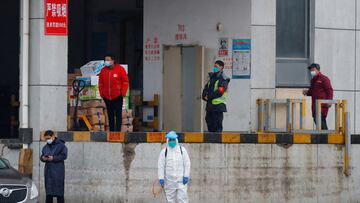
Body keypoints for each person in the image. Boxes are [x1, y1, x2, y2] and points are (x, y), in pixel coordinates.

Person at [98, 54, 129, 131]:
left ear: (113, 61)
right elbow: (100, 83)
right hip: (107, 97)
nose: (106, 62)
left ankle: (118, 131)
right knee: (110, 115)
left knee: (118, 114)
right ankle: (112, 131)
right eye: (106, 60)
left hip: (118, 96)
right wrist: (102, 94)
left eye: (108, 60)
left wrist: (123, 93)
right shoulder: (103, 70)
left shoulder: (120, 69)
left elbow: (125, 82)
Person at [158, 131, 191, 203]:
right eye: (170, 140)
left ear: (176, 140)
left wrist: (186, 176)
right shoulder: (164, 152)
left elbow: (187, 163)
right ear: (167, 141)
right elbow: (161, 165)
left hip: (181, 180)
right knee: (170, 200)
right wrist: (161, 178)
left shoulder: (182, 150)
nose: (171, 141)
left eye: (173, 140)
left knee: (183, 199)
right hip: (169, 181)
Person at [202, 60, 230, 132]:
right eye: (214, 66)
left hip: (218, 106)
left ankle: (217, 142)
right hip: (210, 106)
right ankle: (211, 142)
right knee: (209, 123)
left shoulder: (224, 79)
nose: (214, 68)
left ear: (221, 67)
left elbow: (220, 91)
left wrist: (209, 96)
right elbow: (206, 88)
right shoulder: (212, 77)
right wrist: (204, 95)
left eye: (216, 66)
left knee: (217, 126)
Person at [303, 63, 333, 130]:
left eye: (313, 70)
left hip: (322, 106)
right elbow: (312, 91)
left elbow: (329, 90)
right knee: (318, 122)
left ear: (318, 70)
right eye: (311, 70)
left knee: (321, 122)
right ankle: (325, 137)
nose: (311, 72)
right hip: (314, 106)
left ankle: (326, 137)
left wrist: (330, 101)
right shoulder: (313, 80)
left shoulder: (324, 79)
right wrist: (306, 92)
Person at [40, 130, 68, 203]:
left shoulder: (61, 145)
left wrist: (54, 158)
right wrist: (43, 158)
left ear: (53, 136)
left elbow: (64, 156)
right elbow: (42, 155)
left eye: (48, 138)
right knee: (49, 194)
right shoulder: (45, 147)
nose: (47, 140)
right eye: (46, 139)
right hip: (48, 172)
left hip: (58, 172)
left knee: (59, 194)